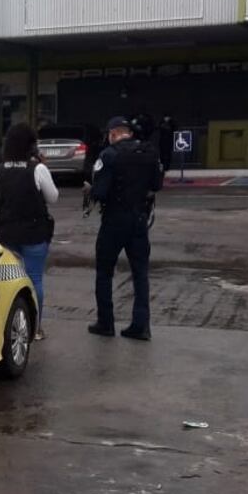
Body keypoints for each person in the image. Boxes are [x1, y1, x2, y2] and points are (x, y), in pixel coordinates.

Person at [86, 116, 164, 341]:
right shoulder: (149, 152)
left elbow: (100, 192)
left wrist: (91, 189)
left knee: (104, 272)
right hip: (140, 219)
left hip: (114, 220)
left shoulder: (109, 155)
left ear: (112, 134)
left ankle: (105, 322)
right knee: (140, 274)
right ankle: (141, 326)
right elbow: (156, 185)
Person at [0, 123, 59, 340]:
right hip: (35, 233)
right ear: (31, 146)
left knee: (9, 281)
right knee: (34, 279)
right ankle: (35, 328)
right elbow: (53, 197)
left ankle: (11, 326)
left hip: (8, 233)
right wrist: (43, 165)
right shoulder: (37, 169)